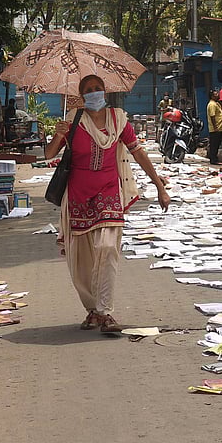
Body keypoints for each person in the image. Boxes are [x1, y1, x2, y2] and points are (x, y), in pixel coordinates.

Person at [45, 74, 170, 333]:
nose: (94, 93)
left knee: (108, 247)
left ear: (106, 91)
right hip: (78, 195)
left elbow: (138, 152)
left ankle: (106, 312)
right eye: (88, 90)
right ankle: (92, 309)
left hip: (109, 193)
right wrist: (57, 135)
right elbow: (48, 155)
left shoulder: (118, 119)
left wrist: (159, 186)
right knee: (82, 260)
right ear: (81, 95)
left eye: (98, 88)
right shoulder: (72, 120)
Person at [206, 89, 222, 165]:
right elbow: (212, 116)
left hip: (220, 127)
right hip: (215, 129)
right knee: (214, 144)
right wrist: (215, 127)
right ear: (212, 96)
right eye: (215, 94)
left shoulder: (216, 103)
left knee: (217, 144)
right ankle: (213, 159)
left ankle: (215, 158)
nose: (217, 95)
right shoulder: (212, 104)